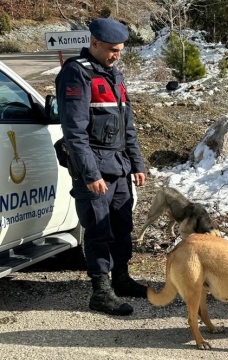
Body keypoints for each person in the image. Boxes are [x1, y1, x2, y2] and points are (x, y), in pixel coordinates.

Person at [56, 18, 147, 316]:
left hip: (119, 168)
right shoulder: (76, 74)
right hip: (95, 169)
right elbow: (74, 132)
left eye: (119, 50)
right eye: (112, 50)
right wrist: (90, 173)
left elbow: (127, 126)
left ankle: (121, 279)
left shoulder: (112, 74)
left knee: (122, 227)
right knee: (98, 230)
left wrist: (137, 163)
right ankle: (100, 291)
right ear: (94, 43)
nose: (116, 55)